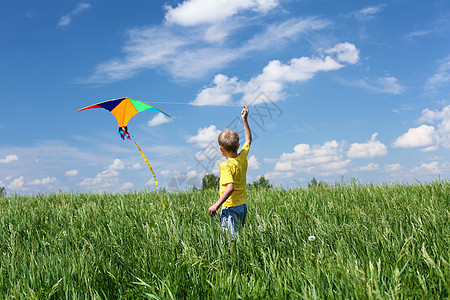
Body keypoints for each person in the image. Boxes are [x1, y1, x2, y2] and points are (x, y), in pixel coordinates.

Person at [208, 105, 252, 235]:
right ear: (238, 145)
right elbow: (249, 139)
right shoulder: (243, 157)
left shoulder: (225, 166)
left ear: (221, 149)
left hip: (230, 208)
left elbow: (230, 187)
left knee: (230, 241)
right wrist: (245, 120)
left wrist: (216, 205)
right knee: (238, 235)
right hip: (242, 206)